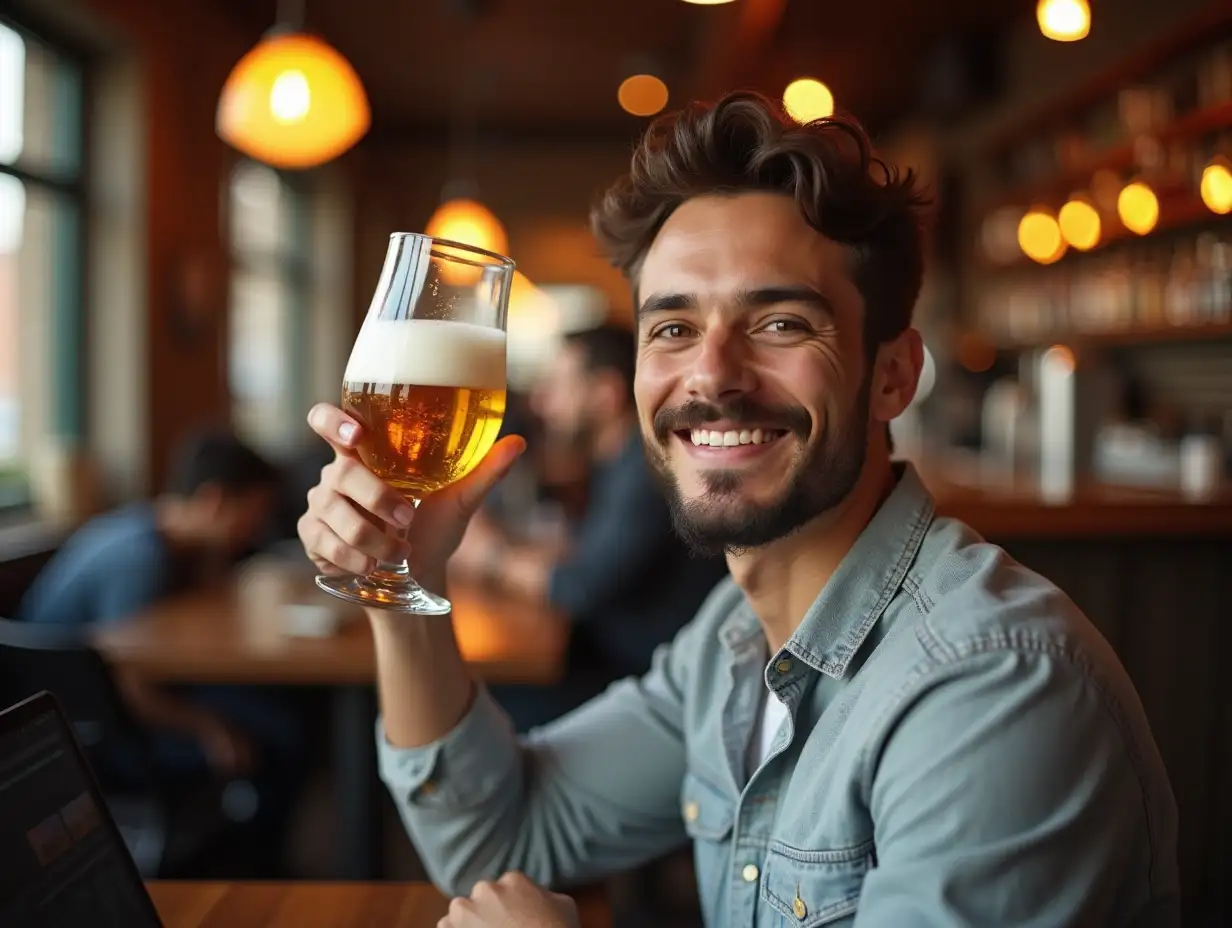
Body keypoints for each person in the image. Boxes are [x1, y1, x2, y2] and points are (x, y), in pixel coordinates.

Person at [297, 92, 1179, 926]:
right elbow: (502, 835)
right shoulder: (732, 642)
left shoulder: (995, 687)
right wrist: (404, 581)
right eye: (672, 329)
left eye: (782, 323)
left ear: (893, 375)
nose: (712, 375)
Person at [19, 429, 305, 873]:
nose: (253, 530)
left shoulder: (148, 528)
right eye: (250, 515)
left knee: (274, 712)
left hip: (93, 710)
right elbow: (127, 673)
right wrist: (207, 727)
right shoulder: (138, 560)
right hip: (92, 734)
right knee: (279, 732)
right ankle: (254, 870)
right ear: (213, 501)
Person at [451, 324, 728, 732]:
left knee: (473, 706)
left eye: (559, 387)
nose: (544, 403)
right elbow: (586, 554)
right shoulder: (619, 461)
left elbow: (578, 587)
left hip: (647, 685)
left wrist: (488, 555)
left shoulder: (648, 473)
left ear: (606, 395)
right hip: (620, 664)